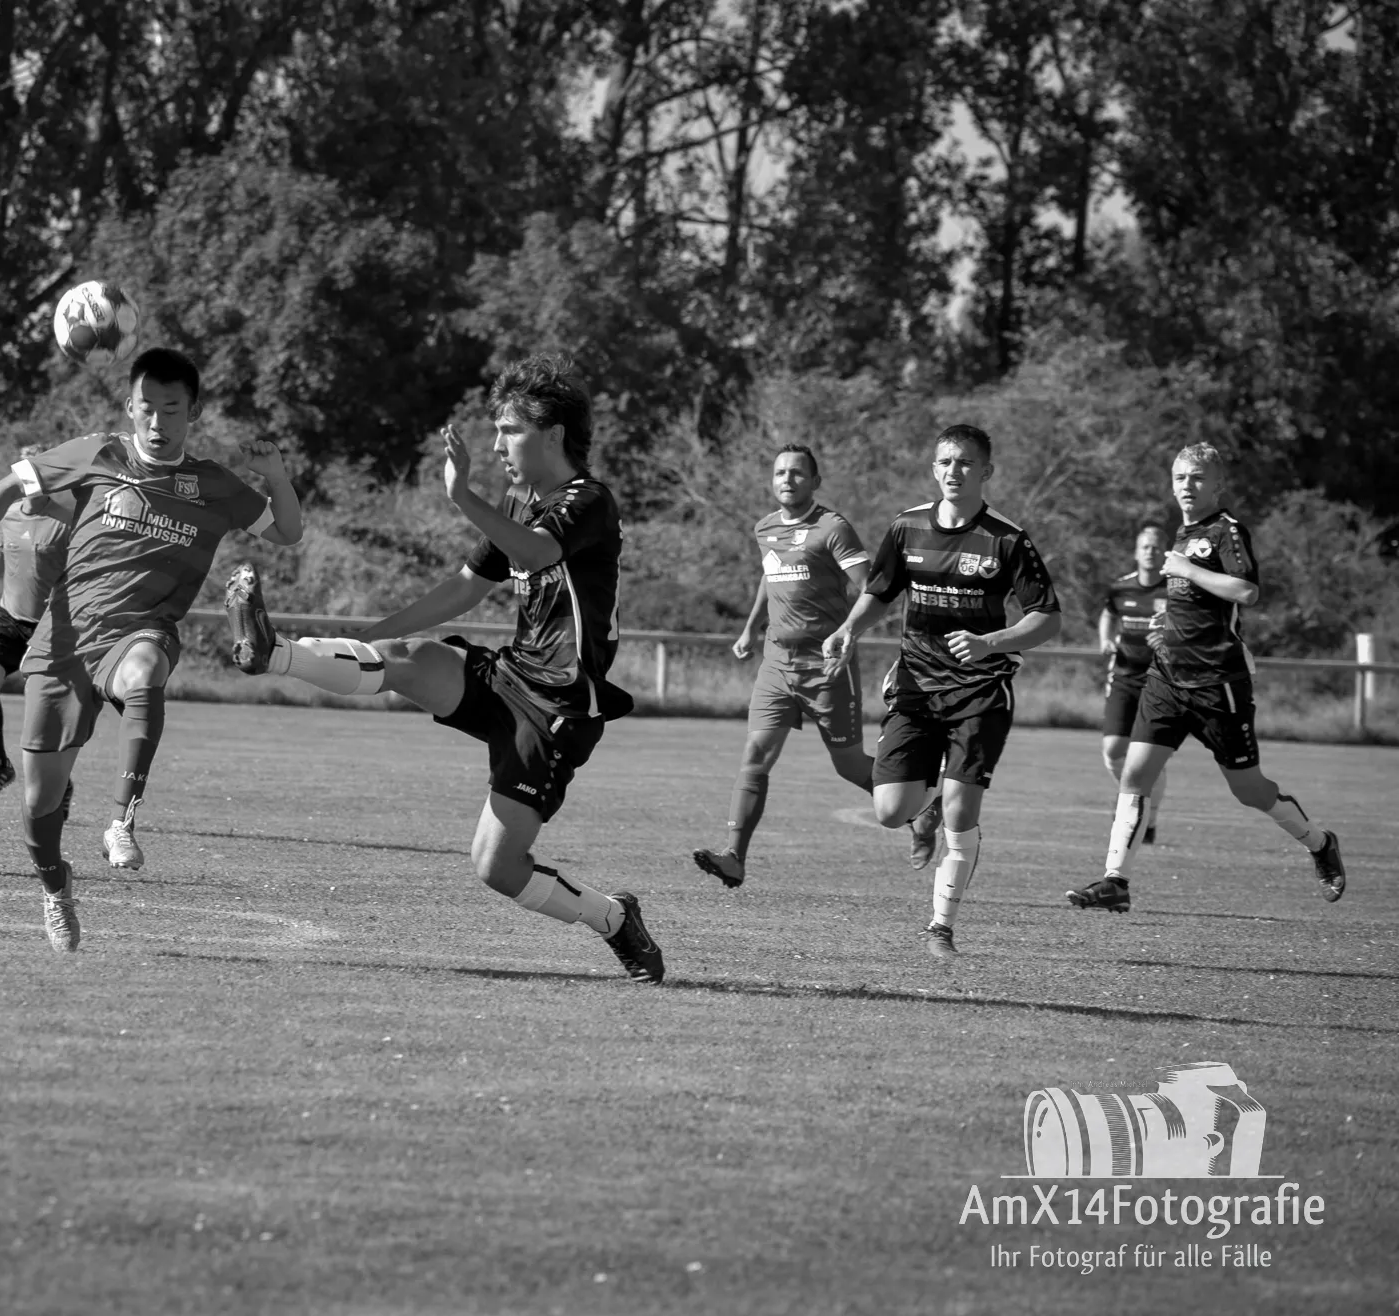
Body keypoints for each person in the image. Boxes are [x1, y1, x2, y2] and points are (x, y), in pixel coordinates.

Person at [224, 354, 666, 985]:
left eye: (510, 431)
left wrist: (461, 495)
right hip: (508, 677)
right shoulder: (519, 504)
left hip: (557, 710)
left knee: (496, 867)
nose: (498, 445)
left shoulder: (589, 500)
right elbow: (463, 589)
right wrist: (370, 638)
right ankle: (277, 652)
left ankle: (614, 918)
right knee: (411, 659)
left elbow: (538, 553)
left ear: (553, 435)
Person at [0, 347, 304, 952]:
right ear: (129, 407)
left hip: (139, 630)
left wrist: (277, 477)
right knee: (38, 803)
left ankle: (120, 821)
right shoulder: (98, 453)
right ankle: (56, 888)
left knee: (146, 670)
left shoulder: (214, 484)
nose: (158, 423)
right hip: (64, 640)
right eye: (146, 408)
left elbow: (288, 532)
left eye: (172, 410)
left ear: (194, 413)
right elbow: (6, 486)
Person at [1066, 444, 1345, 913]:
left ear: (1218, 485)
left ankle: (1320, 842)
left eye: (1197, 477)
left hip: (1218, 683)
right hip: (1167, 678)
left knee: (1248, 789)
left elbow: (1246, 591)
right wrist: (1168, 626)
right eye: (1179, 477)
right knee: (1134, 773)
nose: (1186, 486)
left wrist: (1187, 569)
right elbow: (1197, 603)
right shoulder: (1184, 532)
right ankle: (1116, 881)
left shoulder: (1226, 530)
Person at [822, 424, 1062, 958]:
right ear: (934, 469)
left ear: (986, 471)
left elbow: (1048, 618)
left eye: (966, 462)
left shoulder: (1006, 538)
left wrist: (990, 642)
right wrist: (848, 629)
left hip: (980, 692)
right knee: (889, 810)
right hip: (916, 688)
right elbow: (880, 592)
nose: (955, 471)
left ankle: (939, 928)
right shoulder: (907, 527)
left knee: (961, 811)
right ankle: (924, 807)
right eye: (946, 462)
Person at [693, 444, 930, 887]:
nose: (787, 479)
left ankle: (920, 809)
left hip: (826, 667)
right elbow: (770, 574)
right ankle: (734, 857)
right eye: (780, 472)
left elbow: (872, 589)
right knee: (755, 756)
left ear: (815, 482)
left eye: (798, 473)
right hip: (777, 663)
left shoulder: (832, 528)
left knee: (848, 765)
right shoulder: (765, 528)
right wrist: (750, 628)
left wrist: (849, 636)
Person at [0, 491, 74, 804]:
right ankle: (0, 767)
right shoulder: (10, 513)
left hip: (50, 626)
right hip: (9, 619)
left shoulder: (65, 519)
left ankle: (61, 783)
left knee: (42, 710)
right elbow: (2, 551)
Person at [1098, 524, 1171, 842]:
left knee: (1149, 755)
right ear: (1136, 552)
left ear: (1165, 553)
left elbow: (1190, 626)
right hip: (1124, 677)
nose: (1150, 552)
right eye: (1145, 547)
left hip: (1161, 681)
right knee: (1113, 749)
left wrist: (1171, 640)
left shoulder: (1175, 590)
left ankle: (1147, 819)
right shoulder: (1121, 588)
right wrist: (1105, 639)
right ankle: (1132, 795)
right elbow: (1108, 614)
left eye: (1156, 547)